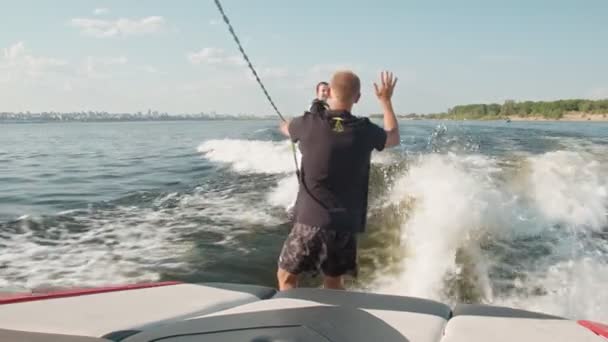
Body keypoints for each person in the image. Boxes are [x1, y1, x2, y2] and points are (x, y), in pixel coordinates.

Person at [277, 70, 400, 291]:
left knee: (286, 278)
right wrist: (386, 101)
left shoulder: (307, 123)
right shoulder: (365, 130)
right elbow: (393, 136)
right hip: (344, 225)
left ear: (329, 92)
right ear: (358, 98)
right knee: (334, 283)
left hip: (309, 221)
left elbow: (285, 127)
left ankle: (290, 315)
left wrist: (308, 112)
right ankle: (333, 321)